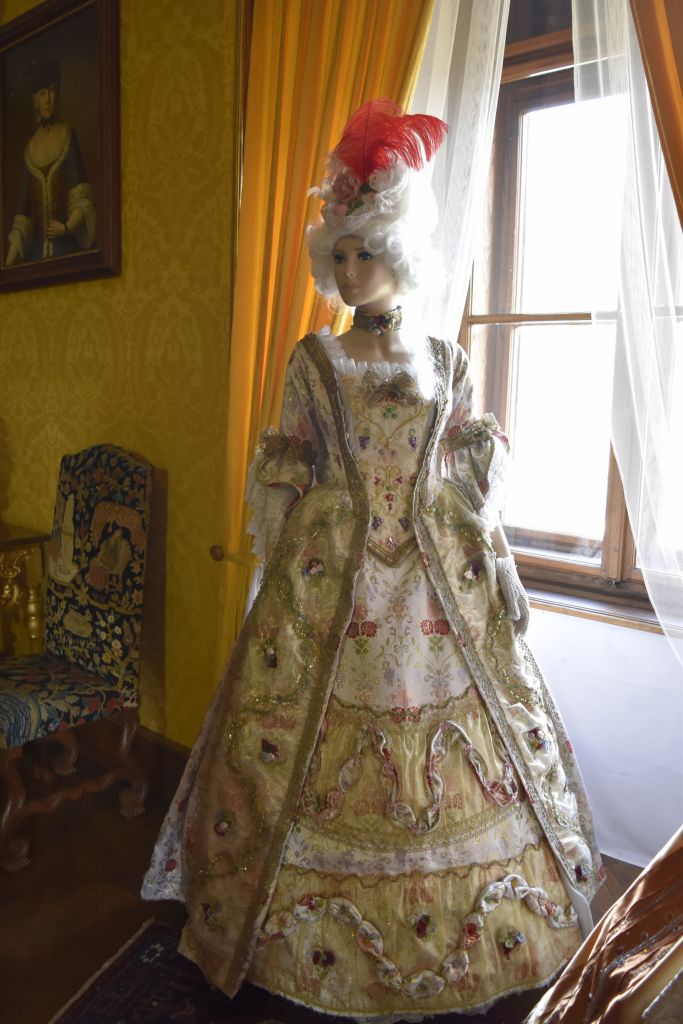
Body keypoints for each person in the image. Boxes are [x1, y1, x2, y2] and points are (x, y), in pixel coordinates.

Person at [142, 99, 603, 1020]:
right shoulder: (313, 360)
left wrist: (500, 563)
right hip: (334, 580)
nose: (351, 272)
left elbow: (466, 476)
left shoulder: (447, 361)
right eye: (340, 254)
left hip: (436, 579)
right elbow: (289, 466)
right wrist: (276, 571)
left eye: (367, 252)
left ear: (401, 251)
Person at [5, 58, 95, 266]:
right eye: (42, 93)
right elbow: (23, 216)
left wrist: (66, 228)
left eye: (52, 91)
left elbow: (81, 194)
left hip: (66, 246)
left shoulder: (67, 133)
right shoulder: (29, 148)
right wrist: (6, 267)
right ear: (35, 100)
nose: (48, 100)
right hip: (37, 254)